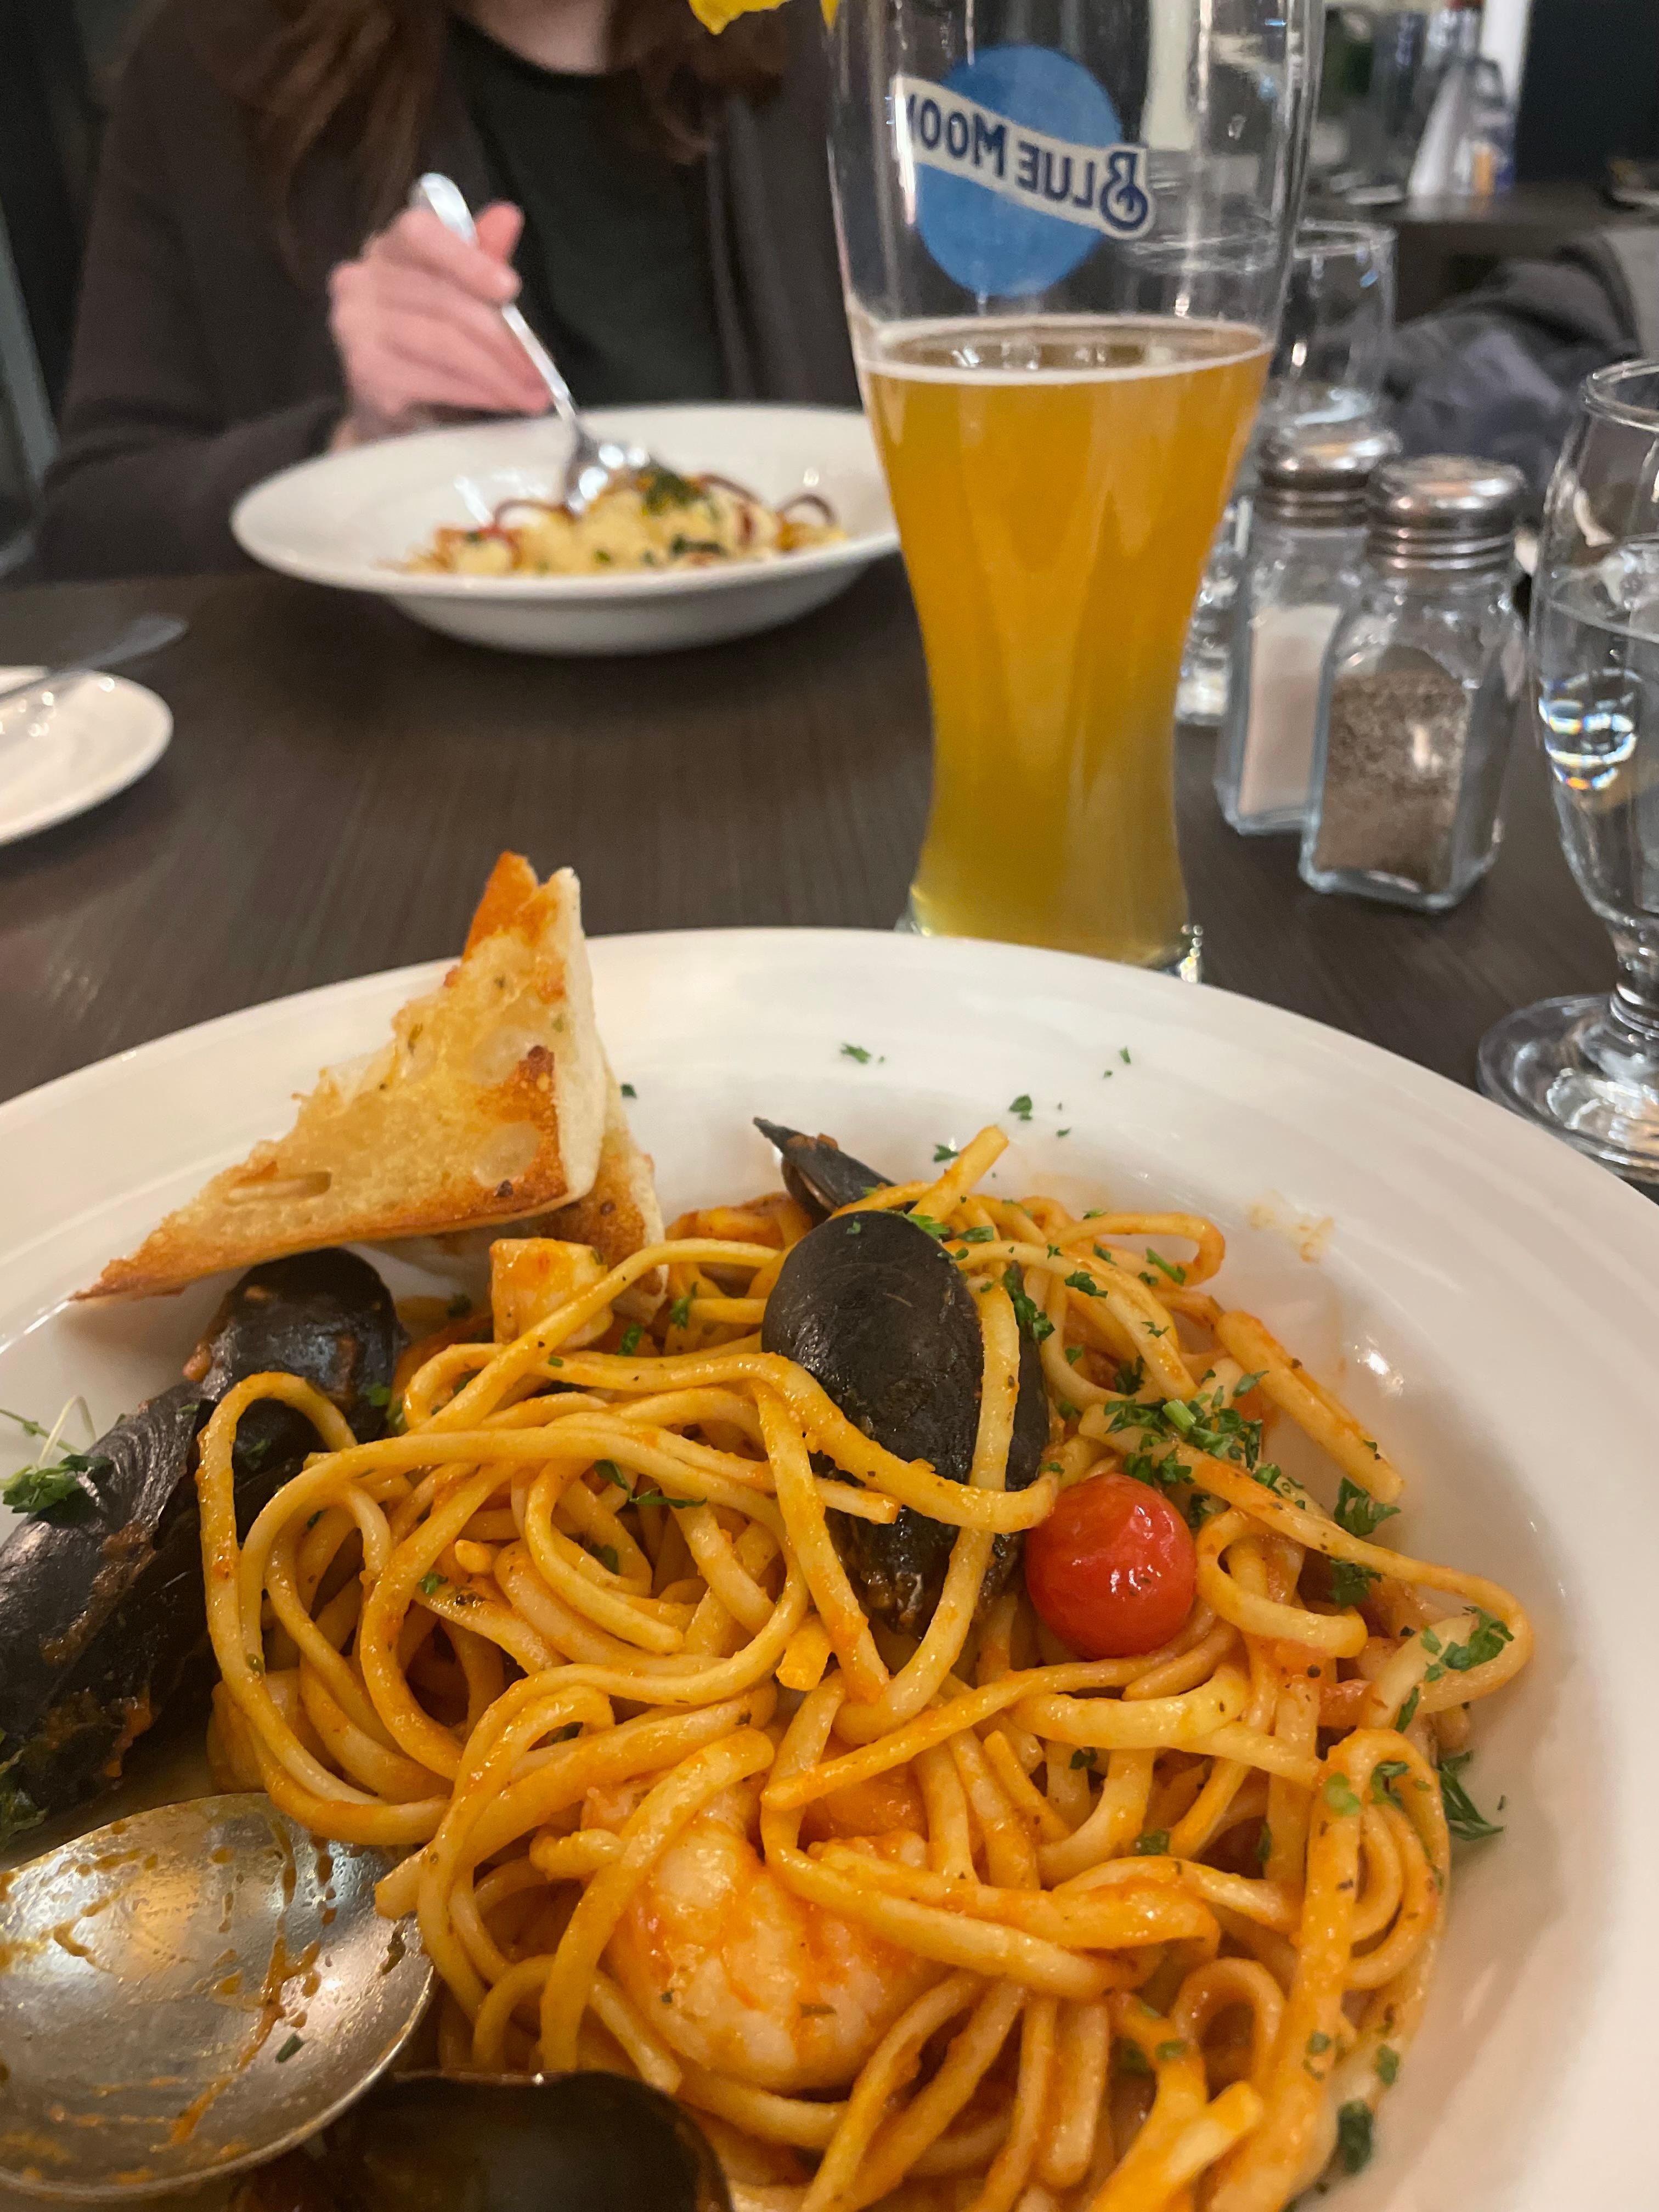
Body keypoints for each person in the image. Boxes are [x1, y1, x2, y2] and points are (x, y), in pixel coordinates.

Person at [37, 0, 856, 580]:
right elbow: (93, 529)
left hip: (833, 728)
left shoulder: (847, 37)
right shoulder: (212, 68)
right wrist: (351, 452)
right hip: (391, 754)